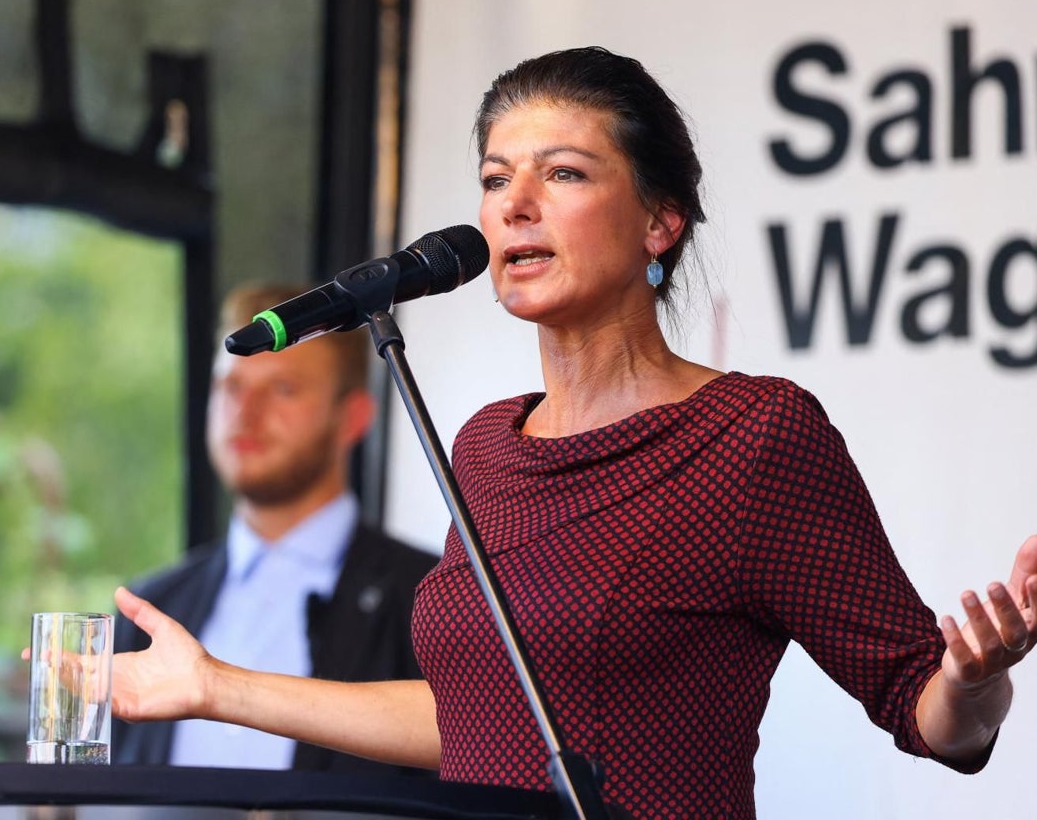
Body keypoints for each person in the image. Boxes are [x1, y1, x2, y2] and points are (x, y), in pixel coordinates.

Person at [103, 49, 1036, 817]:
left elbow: (927, 711)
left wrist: (973, 679)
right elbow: (477, 715)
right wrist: (214, 685)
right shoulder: (484, 447)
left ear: (659, 222)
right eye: (496, 178)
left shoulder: (752, 435)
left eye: (563, 174)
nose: (514, 205)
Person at [110, 283, 438, 775]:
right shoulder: (149, 610)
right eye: (231, 387)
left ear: (352, 418)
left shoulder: (432, 600)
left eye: (282, 389)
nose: (246, 413)